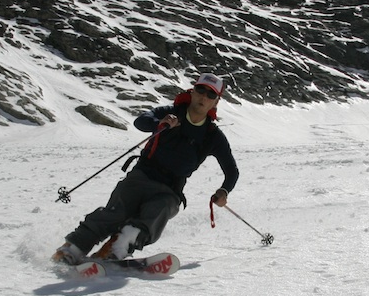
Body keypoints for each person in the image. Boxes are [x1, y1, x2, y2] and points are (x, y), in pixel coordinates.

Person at [52, 72, 240, 264]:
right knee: (116, 213)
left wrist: (224, 191)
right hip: (141, 176)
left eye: (211, 94)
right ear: (192, 92)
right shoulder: (170, 113)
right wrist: (160, 123)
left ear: (216, 102)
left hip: (171, 190)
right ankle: (71, 249)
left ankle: (115, 249)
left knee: (156, 213)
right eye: (200, 90)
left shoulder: (213, 136)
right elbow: (141, 121)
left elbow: (231, 171)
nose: (204, 97)